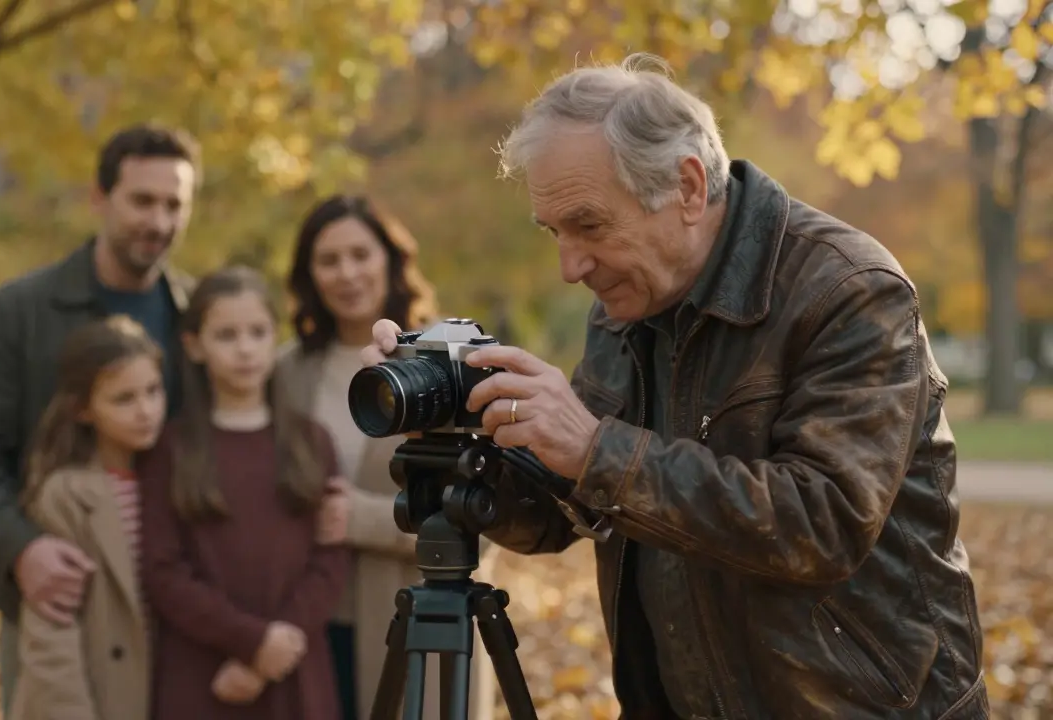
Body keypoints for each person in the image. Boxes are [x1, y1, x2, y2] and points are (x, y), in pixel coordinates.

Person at [361, 54, 988, 719]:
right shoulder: (626, 305)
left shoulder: (847, 290)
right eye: (553, 232)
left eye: (590, 225)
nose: (570, 266)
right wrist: (475, 447)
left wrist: (595, 449)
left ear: (688, 188)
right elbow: (575, 509)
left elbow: (823, 523)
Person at [0, 123, 200, 716]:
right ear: (99, 198)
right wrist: (22, 551)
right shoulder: (21, 311)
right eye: (142, 200)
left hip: (173, 614)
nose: (158, 221)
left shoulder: (198, 319)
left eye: (173, 204)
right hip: (55, 603)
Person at [278, 194, 495, 720]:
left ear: (391, 260)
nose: (346, 273)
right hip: (312, 626)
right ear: (309, 275)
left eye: (360, 254)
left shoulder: (449, 361)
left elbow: (490, 520)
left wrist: (365, 519)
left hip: (425, 621)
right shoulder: (287, 372)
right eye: (328, 260)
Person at [137, 265, 351, 719]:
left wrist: (276, 647)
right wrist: (251, 642)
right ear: (194, 345)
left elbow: (330, 559)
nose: (245, 349)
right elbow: (163, 571)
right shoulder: (171, 449)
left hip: (295, 664)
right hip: (203, 671)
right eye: (227, 335)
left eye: (258, 332)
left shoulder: (311, 442)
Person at [8, 316, 165, 720]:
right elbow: (51, 633)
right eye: (124, 399)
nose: (146, 410)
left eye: (153, 391)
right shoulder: (64, 495)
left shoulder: (170, 480)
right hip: (93, 694)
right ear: (83, 410)